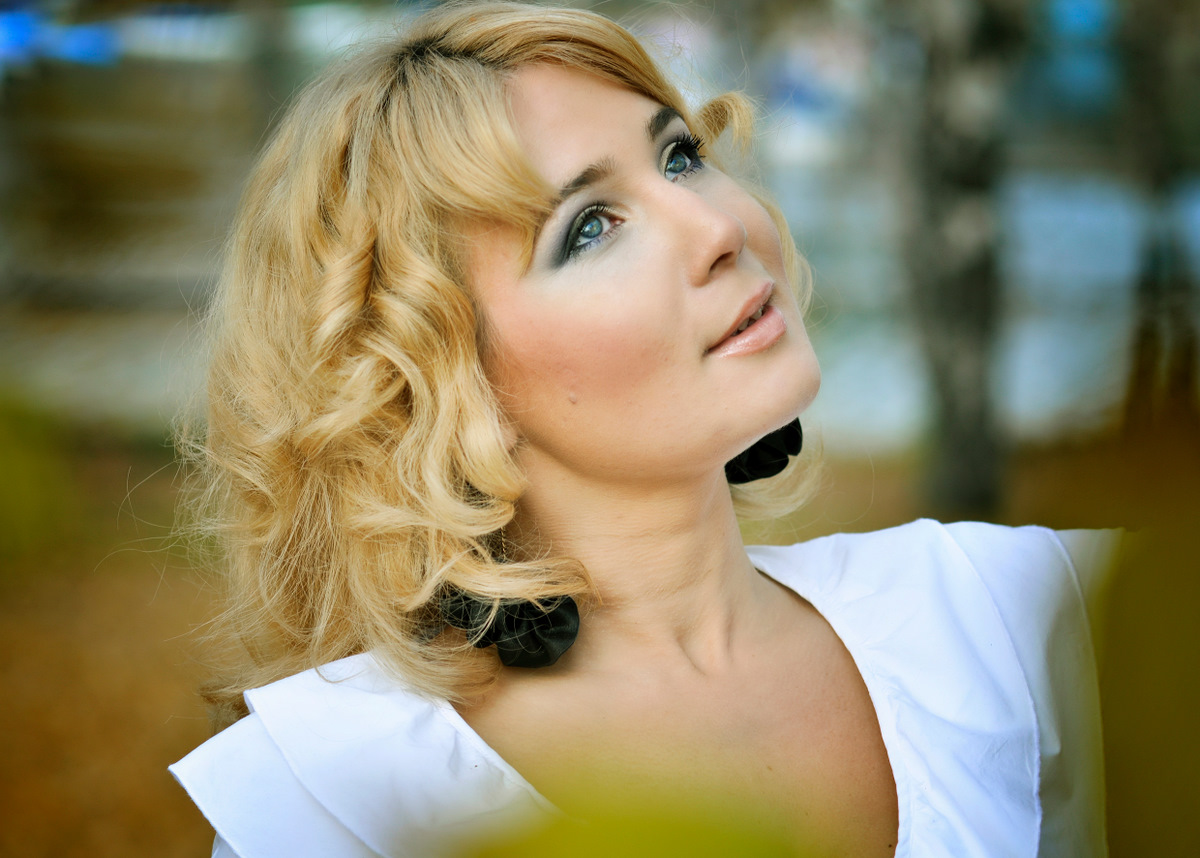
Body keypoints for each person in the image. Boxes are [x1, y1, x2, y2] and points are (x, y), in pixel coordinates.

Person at [170, 2, 1116, 856]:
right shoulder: (336, 802)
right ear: (438, 386)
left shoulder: (1020, 619)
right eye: (590, 227)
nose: (716, 228)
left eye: (680, 157)